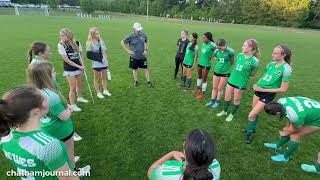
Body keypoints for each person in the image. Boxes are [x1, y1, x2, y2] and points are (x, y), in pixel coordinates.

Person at [0, 86, 78, 179]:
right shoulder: (48, 145)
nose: (48, 97)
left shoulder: (5, 137)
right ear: (36, 111)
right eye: (44, 97)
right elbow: (67, 178)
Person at [27, 62, 91, 174]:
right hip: (61, 130)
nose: (55, 73)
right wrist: (69, 109)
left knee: (59, 153)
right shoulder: (51, 96)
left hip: (46, 129)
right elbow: (64, 117)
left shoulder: (32, 92)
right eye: (53, 72)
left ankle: (66, 166)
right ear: (46, 76)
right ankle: (74, 171)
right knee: (69, 154)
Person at [244, 45, 292, 144]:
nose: (272, 54)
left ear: (283, 55)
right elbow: (264, 76)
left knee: (251, 115)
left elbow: (283, 89)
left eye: (275, 53)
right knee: (254, 111)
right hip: (258, 90)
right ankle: (251, 128)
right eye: (273, 52)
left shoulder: (286, 69)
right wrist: (257, 83)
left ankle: (249, 135)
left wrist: (263, 89)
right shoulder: (270, 64)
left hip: (268, 94)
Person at [263, 97, 320, 162]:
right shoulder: (282, 101)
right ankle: (278, 146)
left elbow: (297, 129)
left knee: (295, 135)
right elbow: (290, 118)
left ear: (278, 113)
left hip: (317, 119)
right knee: (289, 130)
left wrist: (285, 133)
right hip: (311, 112)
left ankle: (285, 158)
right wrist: (287, 129)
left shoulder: (294, 115)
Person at [147, 129, 220, 180]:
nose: (184, 143)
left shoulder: (166, 173)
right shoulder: (216, 165)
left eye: (186, 142)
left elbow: (150, 172)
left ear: (185, 152)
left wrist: (171, 154)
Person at [216, 39, 260, 122]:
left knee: (236, 100)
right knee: (227, 97)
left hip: (240, 83)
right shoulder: (240, 55)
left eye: (244, 46)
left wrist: (244, 74)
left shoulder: (255, 61)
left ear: (250, 48)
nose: (242, 47)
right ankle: (224, 111)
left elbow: (253, 73)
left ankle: (232, 114)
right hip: (231, 79)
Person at [58, 28, 88, 112]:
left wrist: (83, 64)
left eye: (63, 35)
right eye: (61, 35)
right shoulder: (61, 45)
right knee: (73, 87)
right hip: (69, 69)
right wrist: (79, 66)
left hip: (79, 67)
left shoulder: (77, 43)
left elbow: (81, 54)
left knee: (79, 84)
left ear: (68, 35)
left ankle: (80, 97)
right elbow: (66, 60)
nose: (61, 37)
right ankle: (73, 105)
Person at [121, 22, 152, 87]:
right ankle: (136, 81)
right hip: (134, 57)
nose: (139, 30)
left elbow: (147, 41)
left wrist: (146, 49)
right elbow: (122, 42)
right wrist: (128, 51)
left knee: (146, 69)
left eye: (140, 29)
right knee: (134, 69)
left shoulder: (143, 35)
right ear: (134, 29)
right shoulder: (130, 36)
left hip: (142, 56)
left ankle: (149, 81)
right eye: (138, 29)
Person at [205, 39, 234, 108]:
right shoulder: (216, 51)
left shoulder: (230, 52)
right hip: (216, 71)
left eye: (220, 47)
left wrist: (226, 66)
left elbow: (232, 62)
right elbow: (214, 57)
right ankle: (212, 101)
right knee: (214, 87)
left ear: (225, 45)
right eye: (218, 47)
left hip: (225, 73)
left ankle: (217, 102)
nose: (219, 49)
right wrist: (215, 58)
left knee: (220, 88)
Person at [86, 27, 112, 99]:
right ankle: (98, 92)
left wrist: (106, 61)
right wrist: (97, 58)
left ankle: (105, 90)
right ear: (92, 34)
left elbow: (105, 52)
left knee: (104, 77)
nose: (98, 35)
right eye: (96, 34)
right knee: (96, 79)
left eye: (99, 33)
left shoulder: (101, 41)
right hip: (96, 64)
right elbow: (89, 54)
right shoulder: (89, 43)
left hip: (104, 62)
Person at [193, 32, 216, 99]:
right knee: (199, 76)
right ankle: (198, 89)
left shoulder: (212, 45)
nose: (203, 39)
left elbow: (218, 49)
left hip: (206, 65)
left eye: (204, 38)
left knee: (204, 79)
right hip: (200, 63)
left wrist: (215, 56)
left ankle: (203, 93)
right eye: (202, 37)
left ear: (208, 38)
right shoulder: (203, 44)